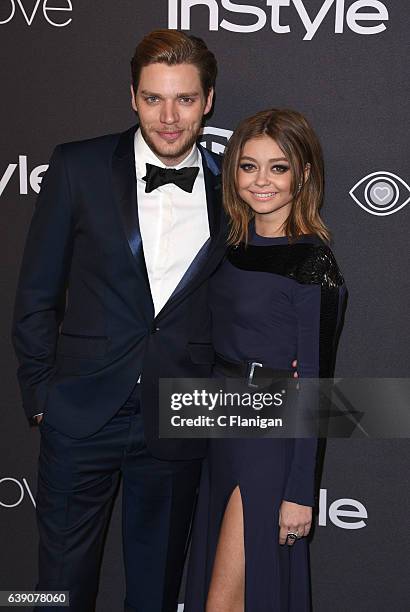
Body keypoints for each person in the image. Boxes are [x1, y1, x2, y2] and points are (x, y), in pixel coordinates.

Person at [12, 30, 228, 612]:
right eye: (154, 98)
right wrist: (41, 398)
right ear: (132, 97)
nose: (169, 116)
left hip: (176, 417)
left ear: (208, 100)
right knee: (56, 588)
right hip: (80, 414)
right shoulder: (78, 165)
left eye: (184, 99)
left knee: (156, 591)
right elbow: (37, 291)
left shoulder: (232, 187)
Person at [184, 109, 347, 611]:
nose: (261, 181)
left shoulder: (313, 264)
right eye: (248, 166)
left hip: (268, 438)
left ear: (304, 175)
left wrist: (300, 492)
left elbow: (316, 385)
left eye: (278, 167)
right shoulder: (225, 246)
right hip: (219, 428)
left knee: (226, 600)